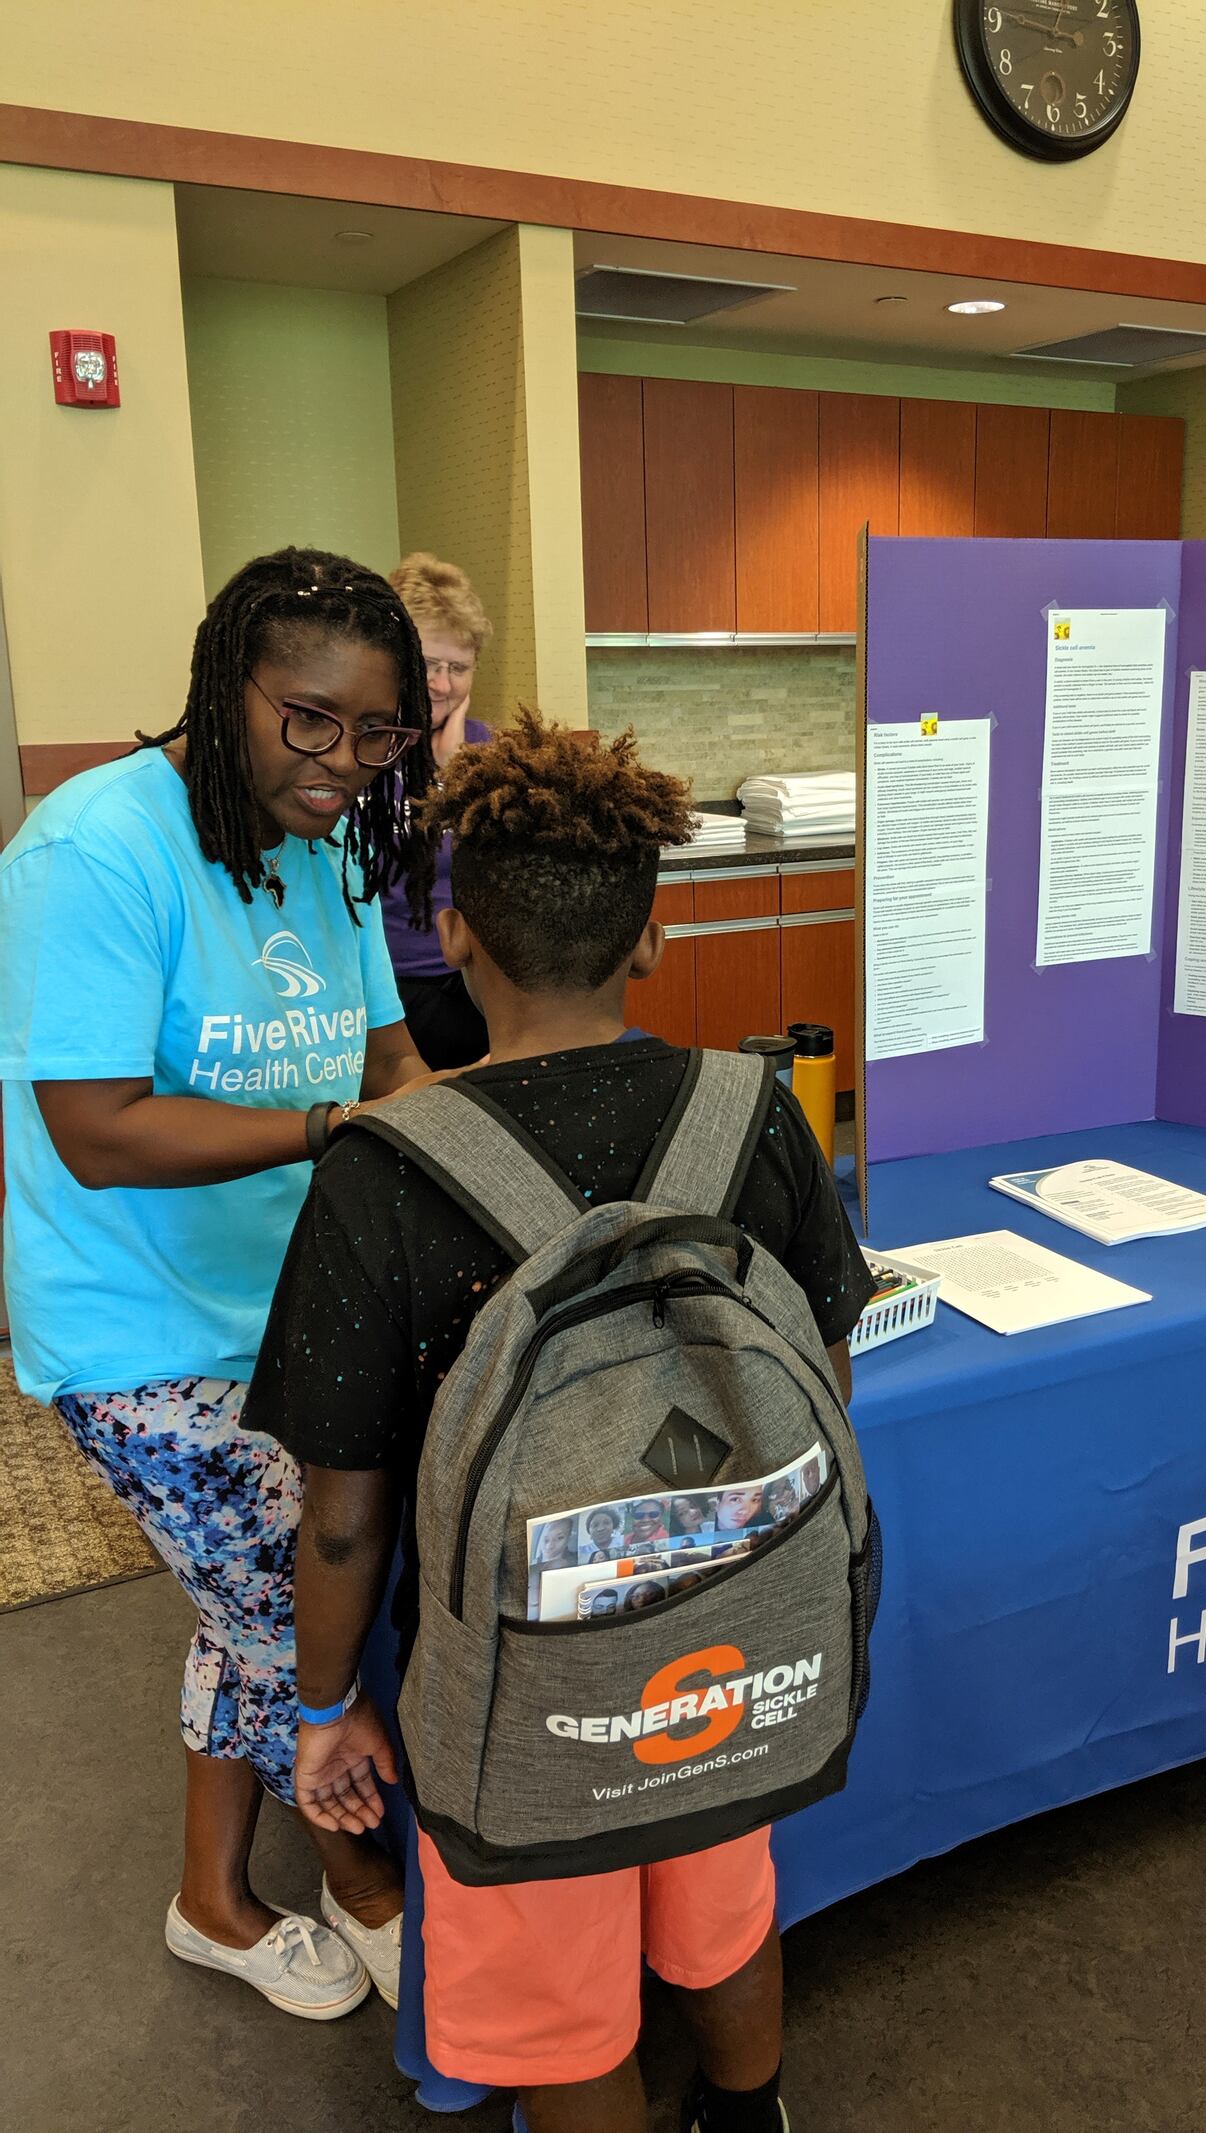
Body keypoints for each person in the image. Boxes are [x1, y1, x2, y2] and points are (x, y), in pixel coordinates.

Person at [248, 708, 876, 2133]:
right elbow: (824, 1374)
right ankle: (748, 2111)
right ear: (654, 940)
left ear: (456, 935)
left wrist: (326, 1706)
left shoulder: (380, 1173)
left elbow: (344, 1517)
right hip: (732, 1628)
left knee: (549, 1980)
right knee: (724, 1897)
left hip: (515, 1670)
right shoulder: (754, 1111)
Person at [0, 547, 438, 2018]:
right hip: (134, 1330)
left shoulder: (326, 846)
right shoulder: (93, 854)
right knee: (293, 1615)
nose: (343, 764)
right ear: (222, 683)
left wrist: (457, 1142)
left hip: (288, 1306)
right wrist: (332, 1131)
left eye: (379, 734)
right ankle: (375, 1893)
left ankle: (211, 1900)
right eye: (309, 719)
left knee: (242, 1608)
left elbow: (390, 1061)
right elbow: (97, 1127)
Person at [380, 553, 494, 1069]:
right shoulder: (355, 750)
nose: (443, 685)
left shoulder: (487, 753)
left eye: (458, 668)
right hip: (383, 989)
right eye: (427, 664)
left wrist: (455, 774)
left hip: (474, 982)